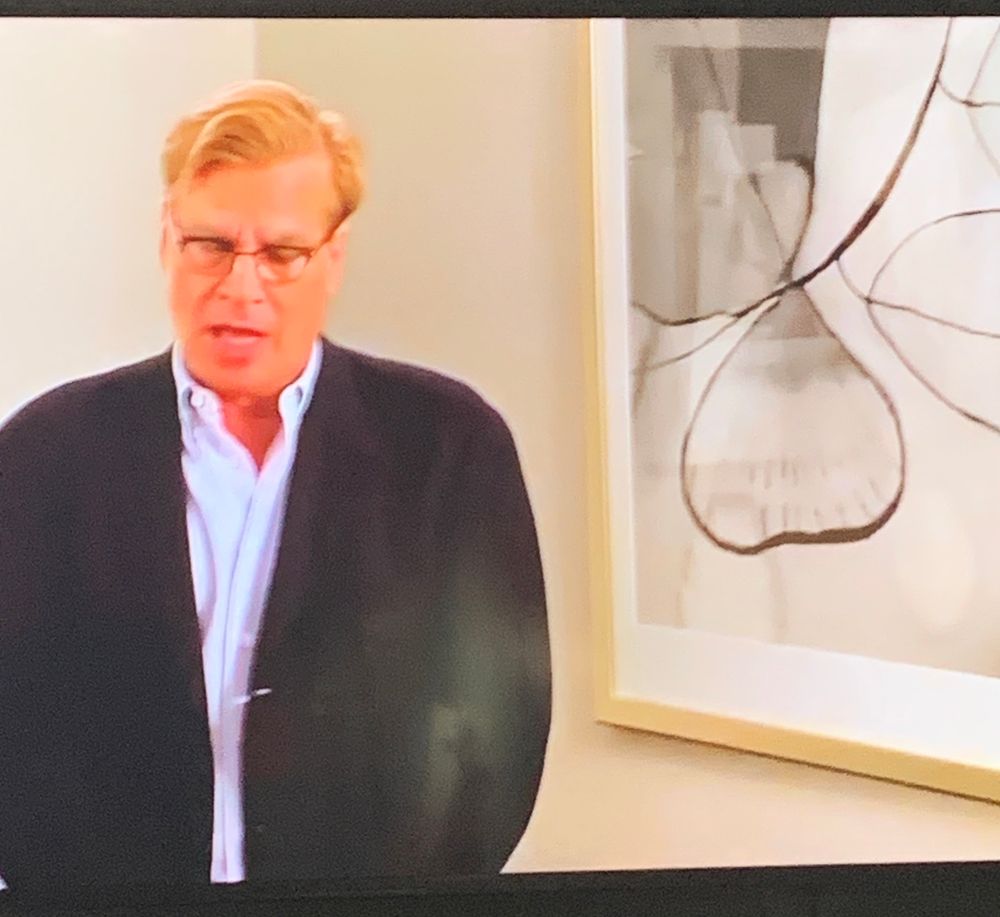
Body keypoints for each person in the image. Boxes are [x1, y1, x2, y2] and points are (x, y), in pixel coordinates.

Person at [0, 80, 551, 888]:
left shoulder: (448, 446)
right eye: (210, 245)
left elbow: (499, 738)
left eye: (281, 254)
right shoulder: (42, 454)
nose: (240, 287)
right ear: (165, 240)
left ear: (333, 256)